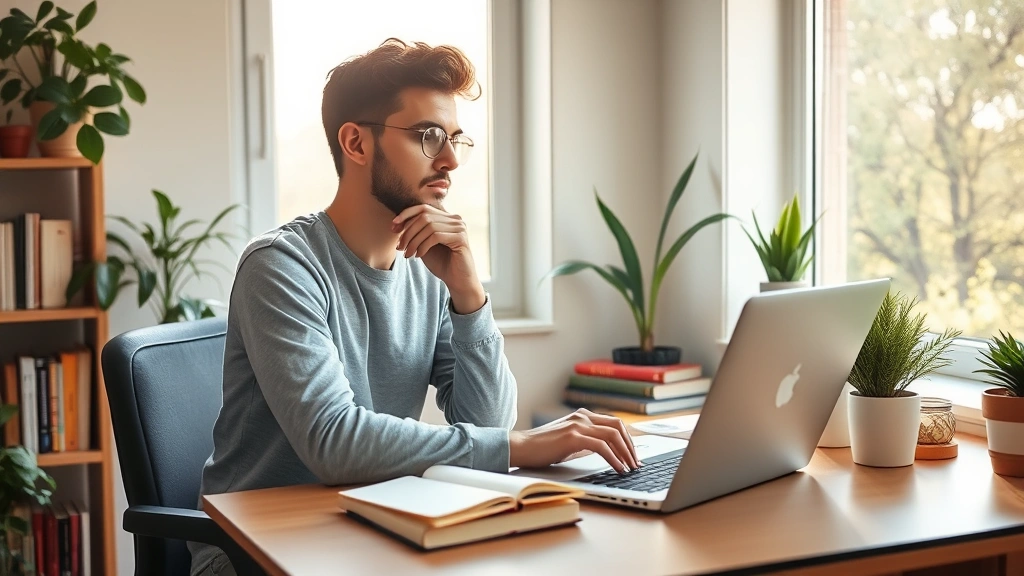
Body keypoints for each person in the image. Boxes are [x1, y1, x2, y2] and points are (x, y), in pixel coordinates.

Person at [190, 38, 639, 576]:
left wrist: (470, 297)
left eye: (454, 139)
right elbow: (334, 441)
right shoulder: (281, 265)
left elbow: (486, 422)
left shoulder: (429, 269)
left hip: (373, 529)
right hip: (255, 553)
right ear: (356, 142)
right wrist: (523, 446)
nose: (450, 160)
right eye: (428, 137)